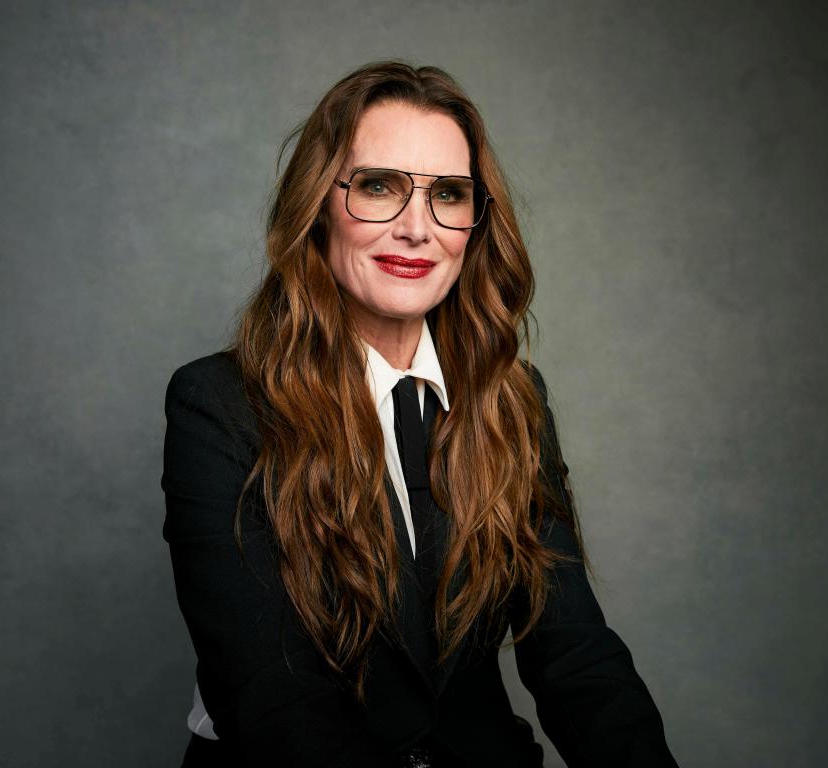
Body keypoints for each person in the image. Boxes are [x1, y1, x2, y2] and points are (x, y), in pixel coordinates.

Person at [161, 61, 678, 768]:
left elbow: (577, 662)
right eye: (379, 187)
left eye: (449, 195)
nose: (417, 229)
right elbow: (275, 703)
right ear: (317, 205)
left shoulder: (513, 401)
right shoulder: (218, 405)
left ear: (475, 220)